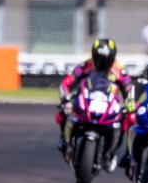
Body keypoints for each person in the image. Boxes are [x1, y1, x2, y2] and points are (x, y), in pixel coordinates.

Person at [56, 38, 133, 168]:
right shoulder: (85, 65)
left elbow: (129, 88)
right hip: (86, 98)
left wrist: (129, 103)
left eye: (106, 58)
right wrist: (65, 99)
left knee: (128, 117)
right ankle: (64, 140)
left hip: (109, 102)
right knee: (65, 110)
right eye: (99, 57)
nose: (102, 62)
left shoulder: (119, 69)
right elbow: (66, 83)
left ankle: (113, 153)